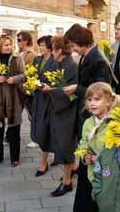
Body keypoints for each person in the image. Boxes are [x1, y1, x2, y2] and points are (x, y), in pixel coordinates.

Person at [64, 23, 111, 211]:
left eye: (74, 45)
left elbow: (103, 90)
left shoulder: (97, 59)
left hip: (93, 116)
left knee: (89, 162)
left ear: (81, 42)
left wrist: (77, 89)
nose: (73, 49)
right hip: (86, 113)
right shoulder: (86, 56)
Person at [41, 36, 78, 197]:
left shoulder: (71, 65)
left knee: (65, 145)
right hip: (59, 110)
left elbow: (70, 92)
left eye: (54, 48)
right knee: (61, 143)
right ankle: (72, 170)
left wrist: (51, 90)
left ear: (60, 50)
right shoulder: (60, 63)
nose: (51, 51)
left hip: (67, 112)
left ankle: (67, 182)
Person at [0, 35, 25, 167]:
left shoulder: (17, 58)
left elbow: (23, 74)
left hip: (14, 97)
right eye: (6, 45)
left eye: (10, 44)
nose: (8, 47)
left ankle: (15, 157)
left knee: (14, 128)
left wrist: (13, 79)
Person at [30, 35, 58, 176]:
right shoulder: (37, 59)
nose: (40, 47)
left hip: (51, 99)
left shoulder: (55, 61)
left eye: (43, 45)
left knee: (48, 129)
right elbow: (31, 75)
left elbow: (59, 80)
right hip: (39, 98)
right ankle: (55, 156)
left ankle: (44, 162)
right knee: (40, 128)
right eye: (39, 45)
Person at [16, 31, 39, 148]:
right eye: (17, 40)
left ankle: (35, 138)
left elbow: (30, 73)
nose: (18, 42)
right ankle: (10, 137)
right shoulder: (19, 54)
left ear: (26, 41)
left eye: (19, 40)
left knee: (31, 114)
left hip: (27, 89)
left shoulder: (32, 54)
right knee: (15, 114)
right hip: (18, 89)